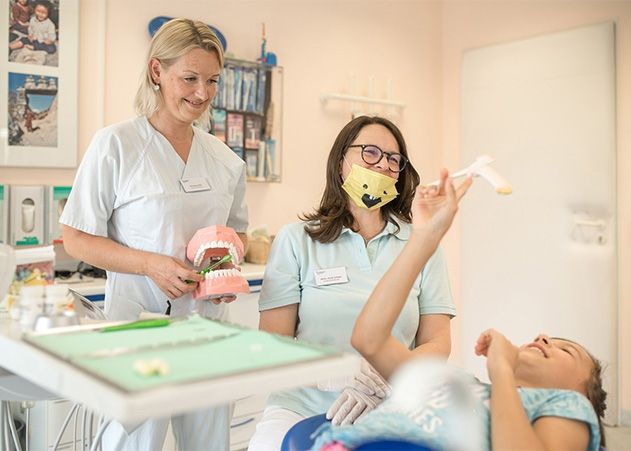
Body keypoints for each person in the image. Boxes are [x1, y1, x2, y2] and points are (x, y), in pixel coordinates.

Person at [310, 171, 607, 450]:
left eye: (567, 350)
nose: (544, 337)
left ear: (581, 395)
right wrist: (425, 238)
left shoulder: (570, 407)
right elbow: (369, 339)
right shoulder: (460, 385)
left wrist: (501, 369)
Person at [60, 18, 248, 451]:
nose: (202, 93)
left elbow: (233, 234)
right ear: (156, 72)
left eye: (212, 81)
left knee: (209, 444)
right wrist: (149, 264)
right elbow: (76, 238)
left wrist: (223, 273)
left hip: (208, 331)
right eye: (189, 78)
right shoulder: (116, 145)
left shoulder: (225, 160)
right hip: (139, 329)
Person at [248, 116, 457, 450]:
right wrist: (333, 373)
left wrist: (386, 377)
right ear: (341, 162)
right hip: (299, 407)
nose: (383, 166)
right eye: (370, 152)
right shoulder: (296, 240)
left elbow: (437, 344)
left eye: (393, 160)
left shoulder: (422, 243)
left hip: (392, 406)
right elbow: (273, 343)